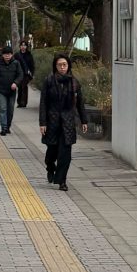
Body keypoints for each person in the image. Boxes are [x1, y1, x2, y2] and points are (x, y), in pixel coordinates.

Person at [39, 53, 86, 191]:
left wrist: (84, 120)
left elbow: (80, 104)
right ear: (55, 66)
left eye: (64, 65)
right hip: (52, 121)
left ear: (68, 66)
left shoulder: (74, 82)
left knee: (65, 154)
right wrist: (43, 123)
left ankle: (62, 181)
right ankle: (50, 167)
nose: (62, 67)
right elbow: (43, 103)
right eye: (59, 65)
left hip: (68, 122)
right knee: (51, 152)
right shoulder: (49, 81)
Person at [0, 45, 23, 135]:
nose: (7, 56)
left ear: (12, 55)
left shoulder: (16, 63)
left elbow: (20, 75)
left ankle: (8, 126)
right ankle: (3, 128)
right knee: (3, 109)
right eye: (5, 54)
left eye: (9, 54)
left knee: (10, 110)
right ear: (2, 55)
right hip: (0, 91)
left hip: (12, 91)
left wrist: (16, 83)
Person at [16, 38, 35, 109]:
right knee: (20, 87)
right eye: (22, 45)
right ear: (20, 46)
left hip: (26, 74)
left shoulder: (29, 55)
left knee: (24, 87)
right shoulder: (17, 55)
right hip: (19, 74)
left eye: (24, 45)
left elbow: (32, 65)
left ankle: (23, 102)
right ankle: (19, 102)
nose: (23, 47)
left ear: (26, 46)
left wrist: (32, 74)